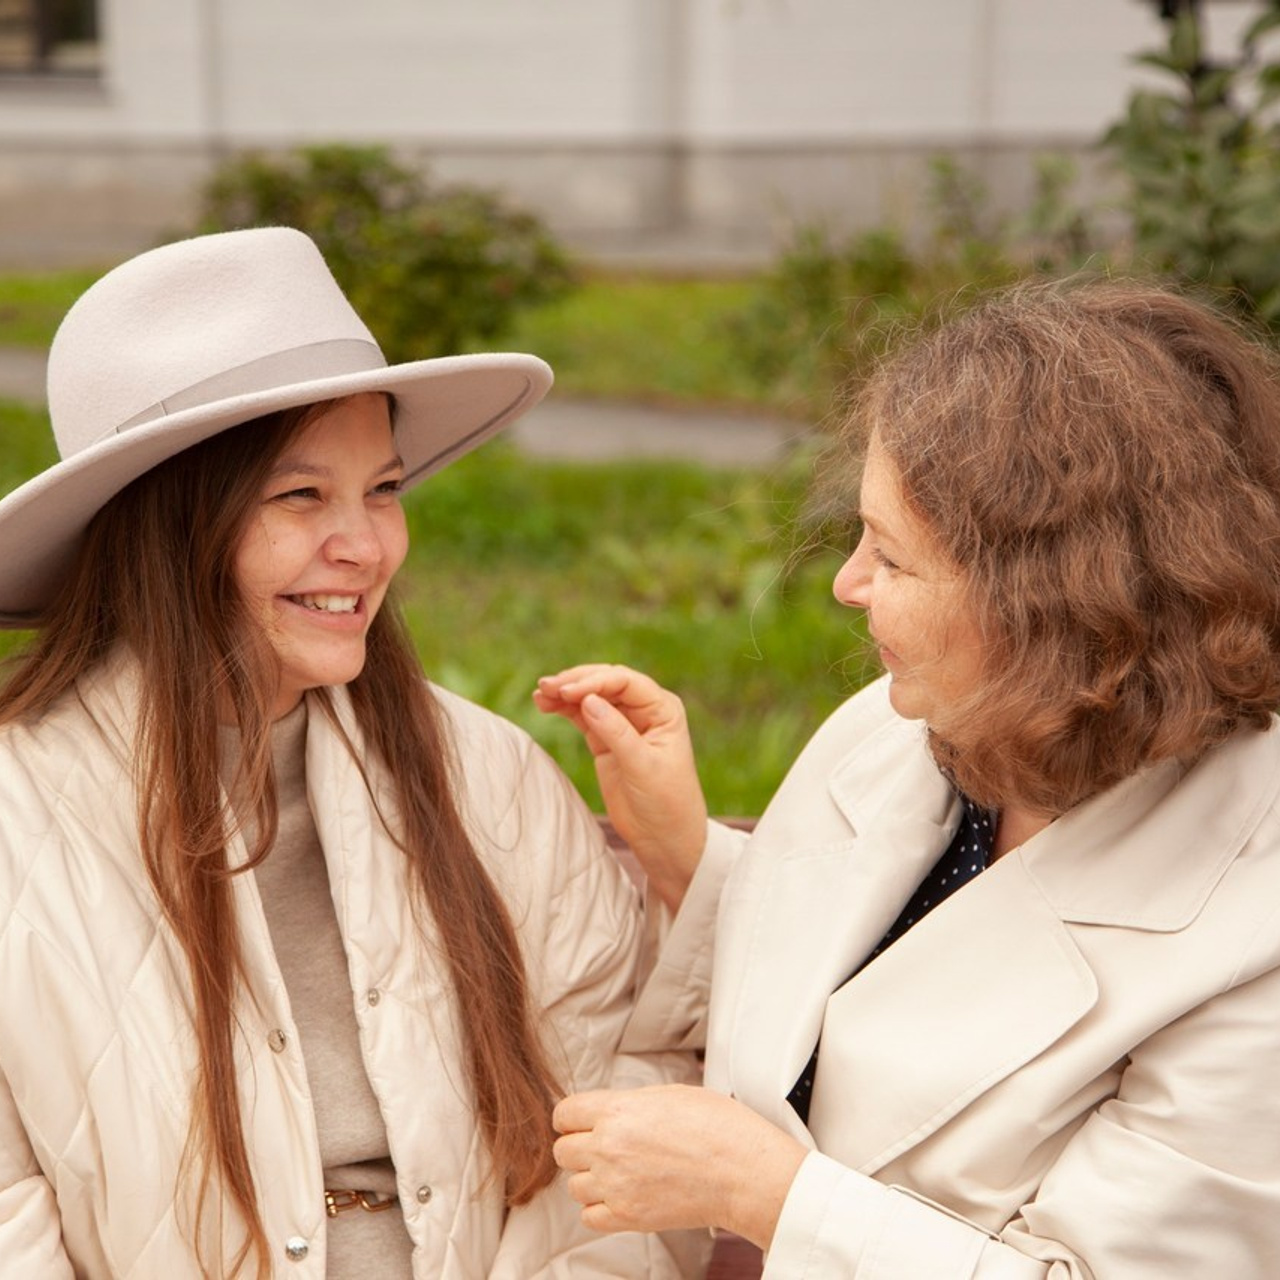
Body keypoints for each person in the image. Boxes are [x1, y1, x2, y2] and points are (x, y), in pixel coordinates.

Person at [0, 226, 708, 1279]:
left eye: (381, 488)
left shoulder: (488, 778)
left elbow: (625, 1108)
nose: (367, 546)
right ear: (166, 523)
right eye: (301, 496)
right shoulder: (19, 820)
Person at [535, 278, 1280, 1277]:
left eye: (890, 556)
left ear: (1050, 608)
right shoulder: (906, 728)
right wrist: (689, 861)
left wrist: (762, 1192)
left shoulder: (1253, 921)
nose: (845, 584)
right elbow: (859, 1003)